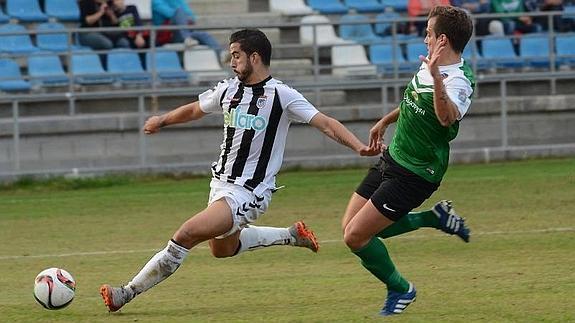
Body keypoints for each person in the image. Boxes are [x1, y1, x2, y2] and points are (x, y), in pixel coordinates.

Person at [99, 28, 379, 312]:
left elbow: (326, 123)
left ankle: (126, 292)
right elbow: (196, 109)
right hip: (220, 185)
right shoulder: (228, 89)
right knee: (222, 250)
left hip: (249, 191)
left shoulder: (282, 95)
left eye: (236, 55)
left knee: (186, 234)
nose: (231, 61)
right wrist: (162, 120)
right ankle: (291, 234)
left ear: (254, 57)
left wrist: (358, 147)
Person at [341, 6, 473, 317]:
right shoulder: (430, 66)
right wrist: (385, 121)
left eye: (428, 34)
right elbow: (413, 100)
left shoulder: (459, 81)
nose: (424, 38)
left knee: (356, 236)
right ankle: (434, 218)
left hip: (417, 173)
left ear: (442, 39)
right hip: (393, 158)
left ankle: (401, 288)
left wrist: (437, 75)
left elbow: (445, 117)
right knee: (353, 227)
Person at [151, 0, 223, 55]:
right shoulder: (155, 1)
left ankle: (221, 54)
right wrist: (183, 16)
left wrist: (184, 17)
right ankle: (186, 38)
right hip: (168, 36)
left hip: (183, 32)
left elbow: (191, 17)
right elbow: (171, 14)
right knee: (179, 12)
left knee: (204, 35)